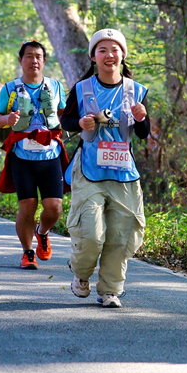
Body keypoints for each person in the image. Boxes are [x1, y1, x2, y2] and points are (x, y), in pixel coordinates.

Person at [60, 29, 151, 308]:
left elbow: (143, 133)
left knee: (121, 235)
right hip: (89, 170)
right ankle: (81, 273)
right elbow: (66, 122)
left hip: (123, 173)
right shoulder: (82, 88)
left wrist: (142, 118)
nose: (110, 55)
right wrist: (81, 124)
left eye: (115, 50)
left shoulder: (136, 91)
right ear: (93, 57)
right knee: (91, 233)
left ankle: (110, 289)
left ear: (123, 55)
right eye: (103, 50)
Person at [0, 40, 68, 270]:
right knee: (28, 206)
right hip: (22, 157)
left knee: (54, 207)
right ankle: (27, 252)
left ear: (44, 61)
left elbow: (63, 113)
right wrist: (7, 120)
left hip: (50, 154)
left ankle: (42, 232)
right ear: (20, 60)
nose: (34, 60)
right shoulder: (10, 89)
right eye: (29, 56)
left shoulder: (55, 87)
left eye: (38, 56)